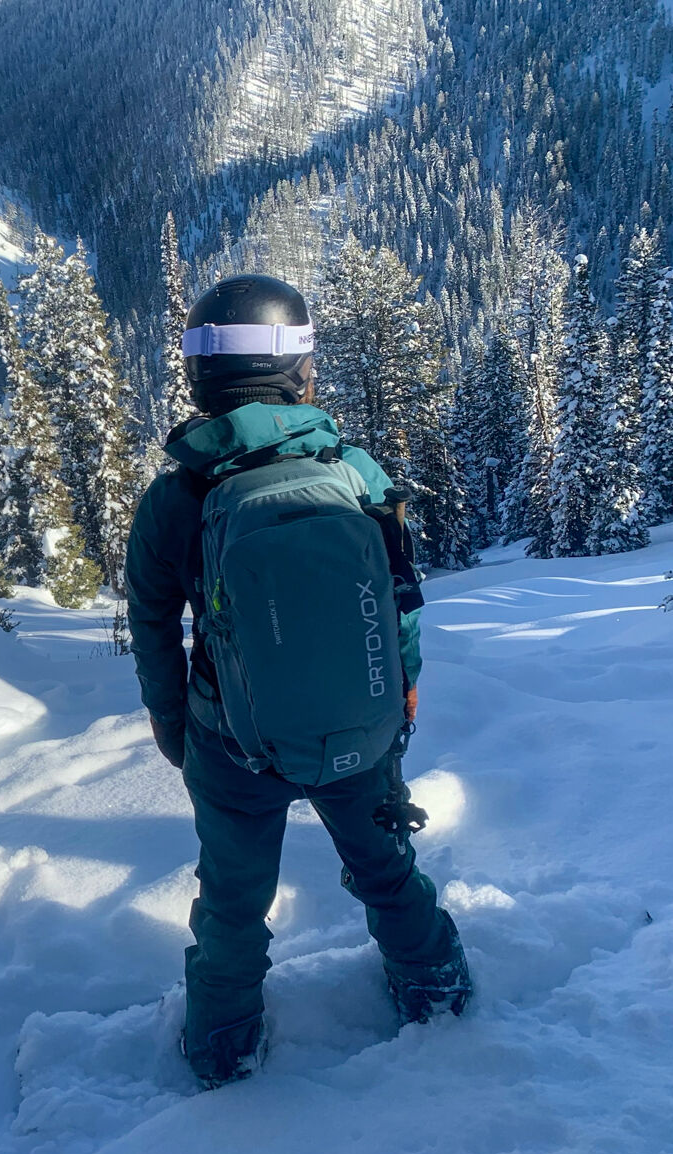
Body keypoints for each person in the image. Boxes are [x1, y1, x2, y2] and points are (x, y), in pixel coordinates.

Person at [125, 274, 471, 1090]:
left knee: (234, 904)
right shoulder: (353, 471)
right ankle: (437, 992)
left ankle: (224, 1046)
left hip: (229, 740)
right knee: (385, 868)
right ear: (297, 371)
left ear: (202, 376)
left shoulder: (175, 498)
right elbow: (398, 604)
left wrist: (174, 726)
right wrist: (396, 708)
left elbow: (152, 625)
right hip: (356, 727)